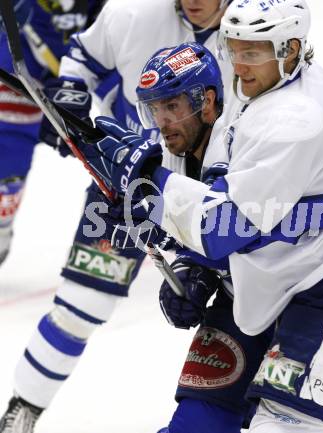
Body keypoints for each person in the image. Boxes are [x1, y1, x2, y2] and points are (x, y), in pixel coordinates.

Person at [84, 0, 323, 432]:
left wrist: (148, 180)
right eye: (234, 48)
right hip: (263, 283)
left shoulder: (297, 117)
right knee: (196, 426)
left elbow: (223, 229)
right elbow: (225, 203)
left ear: (291, 48)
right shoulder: (254, 90)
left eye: (253, 52)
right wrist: (194, 264)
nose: (239, 65)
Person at [0, 0, 234, 424]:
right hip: (122, 189)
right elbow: (82, 59)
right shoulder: (131, 14)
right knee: (79, 304)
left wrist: (198, 263)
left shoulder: (250, 38)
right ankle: (24, 410)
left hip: (219, 195)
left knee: (254, 308)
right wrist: (71, 97)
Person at [0, 0, 105, 266]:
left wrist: (74, 82)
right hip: (15, 72)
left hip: (65, 80)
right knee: (9, 160)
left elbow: (105, 29)